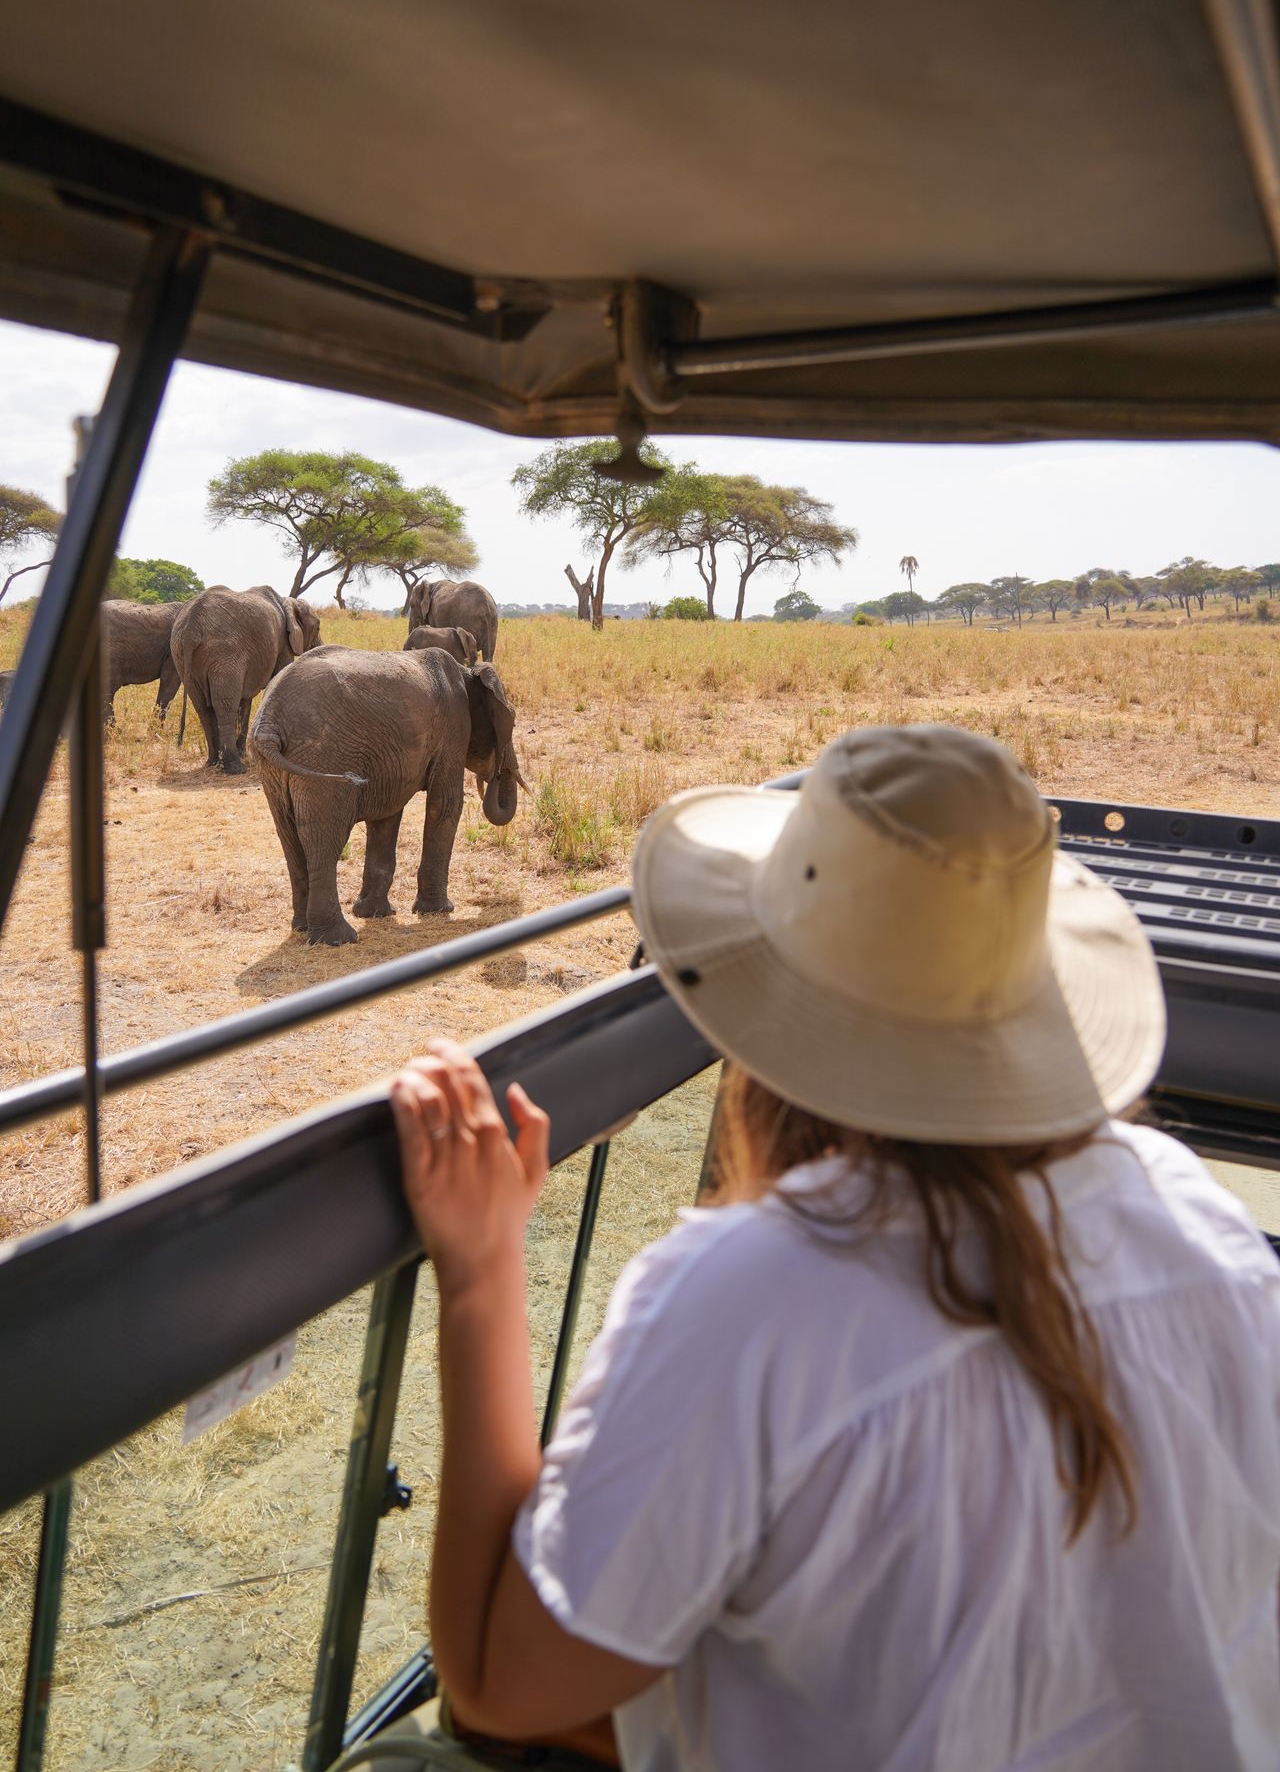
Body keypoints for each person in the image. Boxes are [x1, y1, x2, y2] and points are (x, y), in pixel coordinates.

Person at [344, 725, 1280, 1771]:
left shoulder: (753, 1291)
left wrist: (480, 1272)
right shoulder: (1209, 1229)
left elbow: (500, 1686)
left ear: (766, 1004)